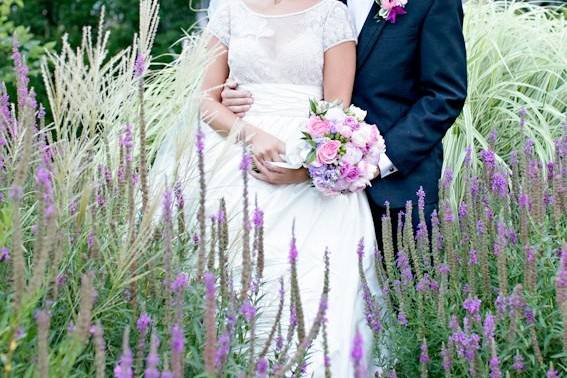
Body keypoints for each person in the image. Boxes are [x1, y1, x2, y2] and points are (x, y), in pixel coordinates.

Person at [191, 0, 380, 375]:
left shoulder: (330, 12)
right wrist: (250, 134)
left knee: (310, 288)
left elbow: (337, 112)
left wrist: (306, 171)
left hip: (305, 163)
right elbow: (204, 99)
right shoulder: (229, 8)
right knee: (226, 277)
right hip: (233, 154)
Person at [219, 0, 468, 249]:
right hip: (298, 185)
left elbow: (443, 96)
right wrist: (235, 91)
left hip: (393, 189)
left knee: (407, 283)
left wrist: (374, 164)